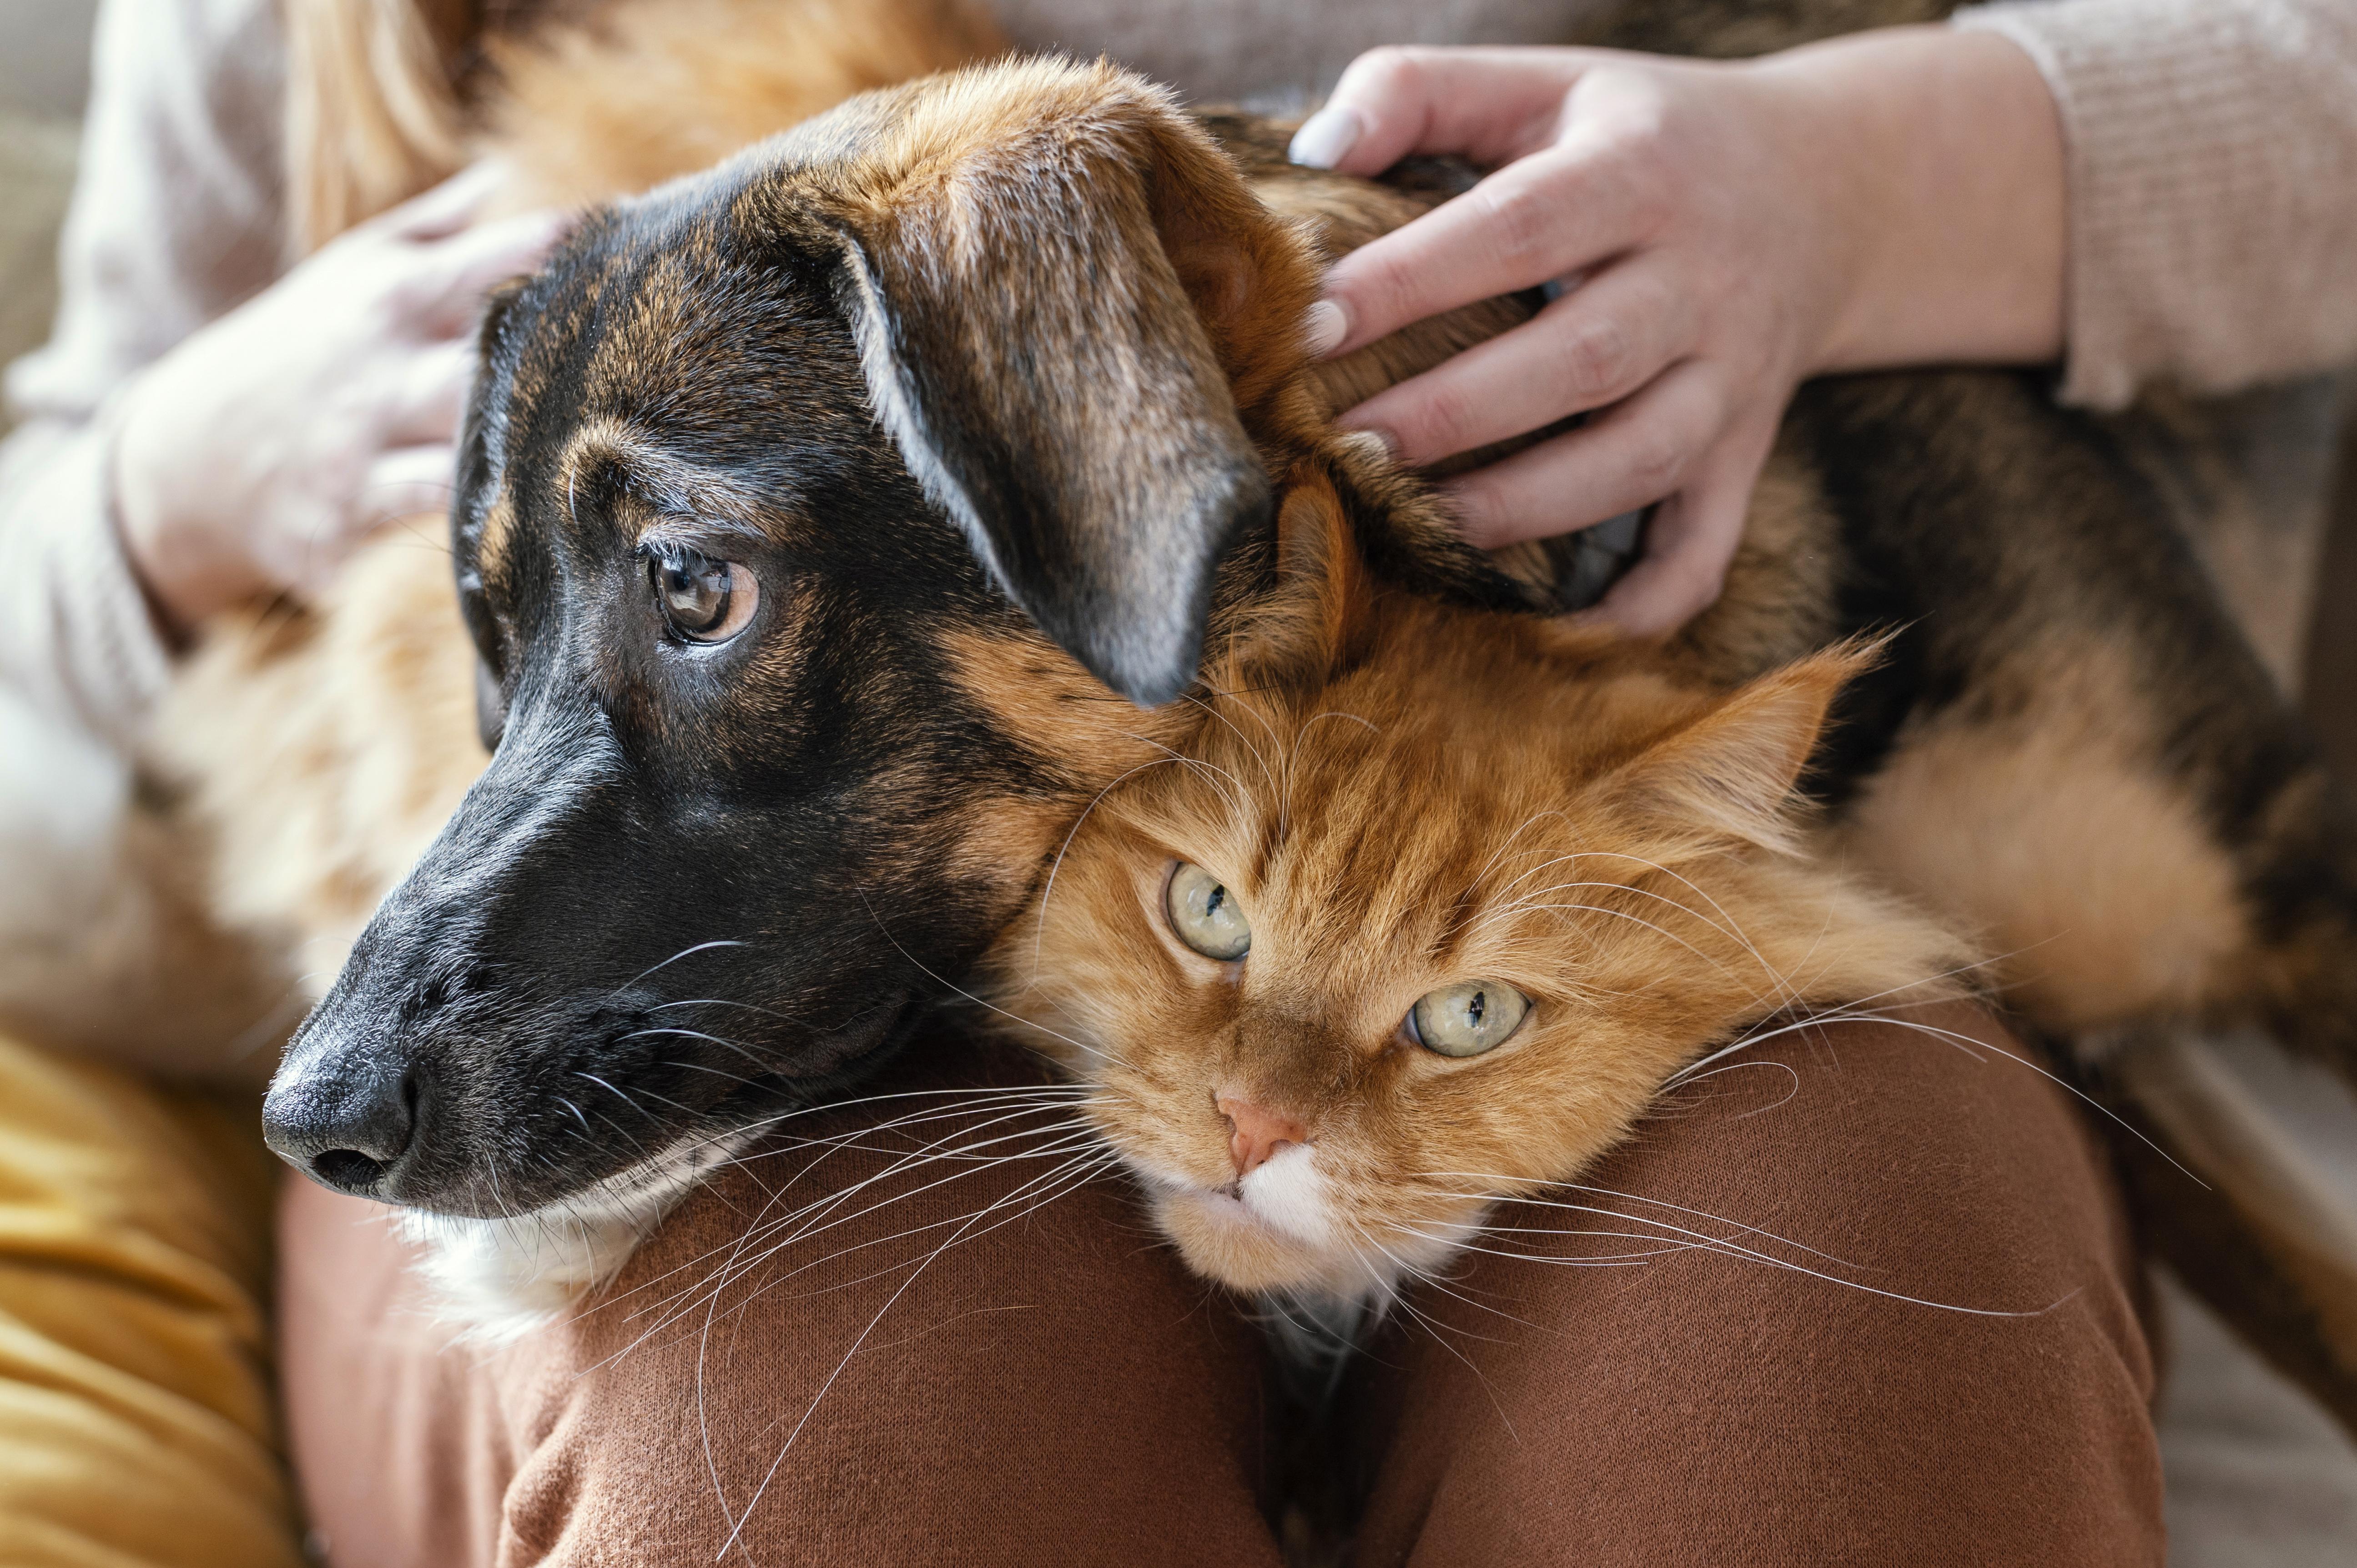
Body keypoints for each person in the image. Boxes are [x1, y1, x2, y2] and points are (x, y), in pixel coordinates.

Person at [0, 0, 2351, 1562]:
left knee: (1847, 1276)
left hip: (1606, 862)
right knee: (862, 1397)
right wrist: (153, 490)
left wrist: (1878, 176)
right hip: (663, 1028)